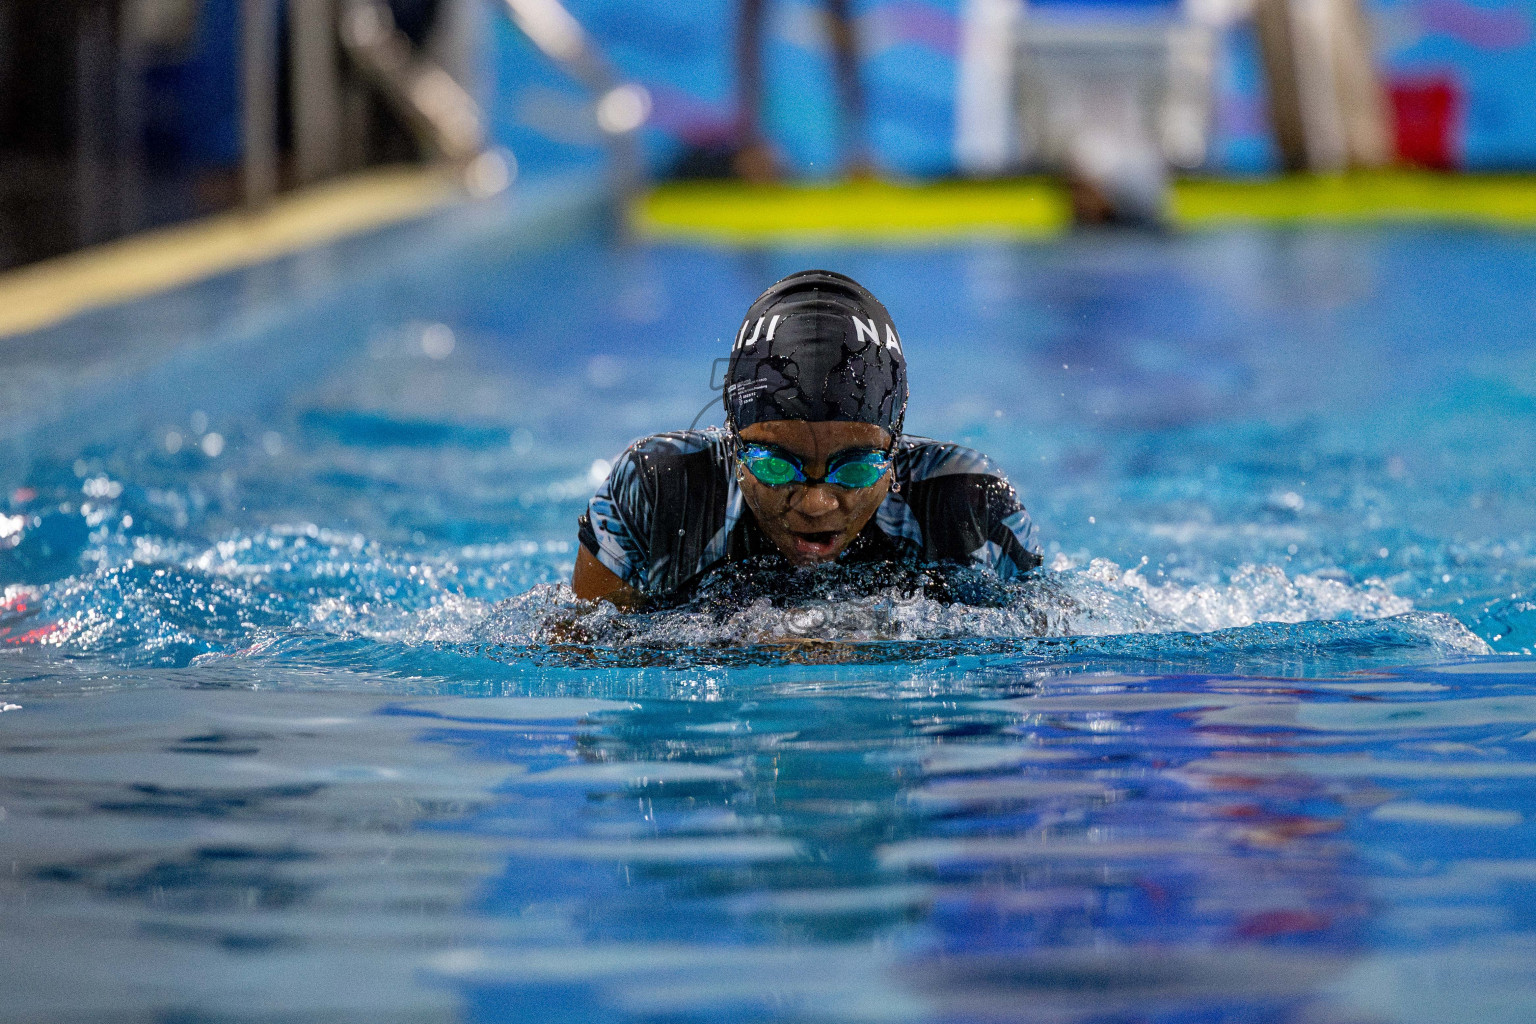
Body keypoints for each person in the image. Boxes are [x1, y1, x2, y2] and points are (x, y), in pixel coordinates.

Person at [572, 270, 1042, 610]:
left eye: (856, 467)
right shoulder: (659, 490)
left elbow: (1045, 651)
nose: (817, 504)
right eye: (776, 465)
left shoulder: (966, 501)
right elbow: (577, 655)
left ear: (894, 452)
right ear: (734, 443)